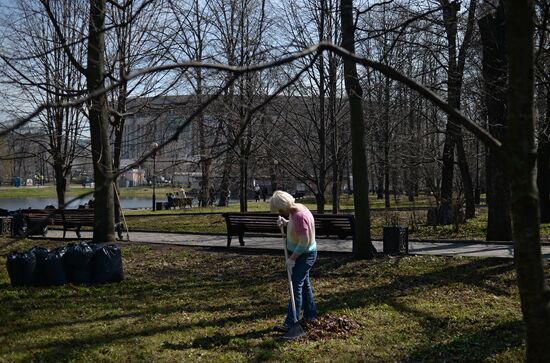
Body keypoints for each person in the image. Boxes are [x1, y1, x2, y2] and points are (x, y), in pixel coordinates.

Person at [269, 190, 317, 333]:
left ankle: (291, 322)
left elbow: (304, 242)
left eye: (279, 210)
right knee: (304, 286)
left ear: (283, 206)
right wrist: (286, 223)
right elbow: (297, 226)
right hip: (301, 254)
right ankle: (310, 315)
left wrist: (291, 259)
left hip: (304, 255)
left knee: (295, 286)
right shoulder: (296, 209)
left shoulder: (300, 215)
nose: (280, 212)